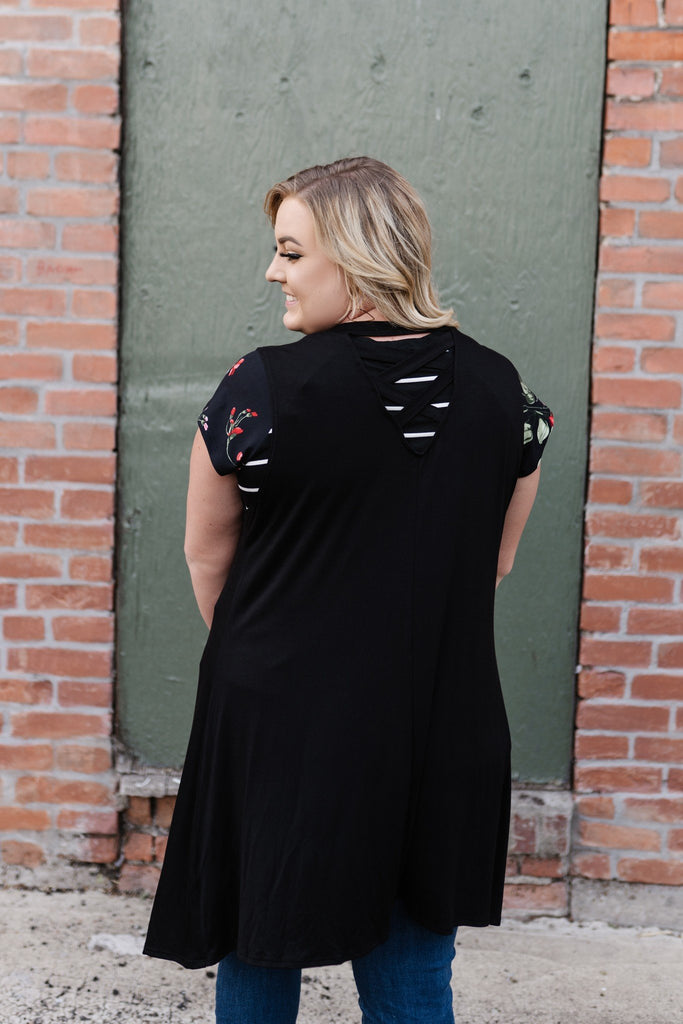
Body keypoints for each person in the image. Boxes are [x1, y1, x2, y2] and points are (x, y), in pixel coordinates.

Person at [143, 156, 554, 1024]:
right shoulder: (505, 391)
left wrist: (276, 656)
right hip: (435, 718)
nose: (273, 272)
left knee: (259, 934)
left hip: (281, 721)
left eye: (291, 253)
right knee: (413, 969)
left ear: (362, 258)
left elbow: (206, 556)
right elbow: (492, 560)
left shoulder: (260, 387)